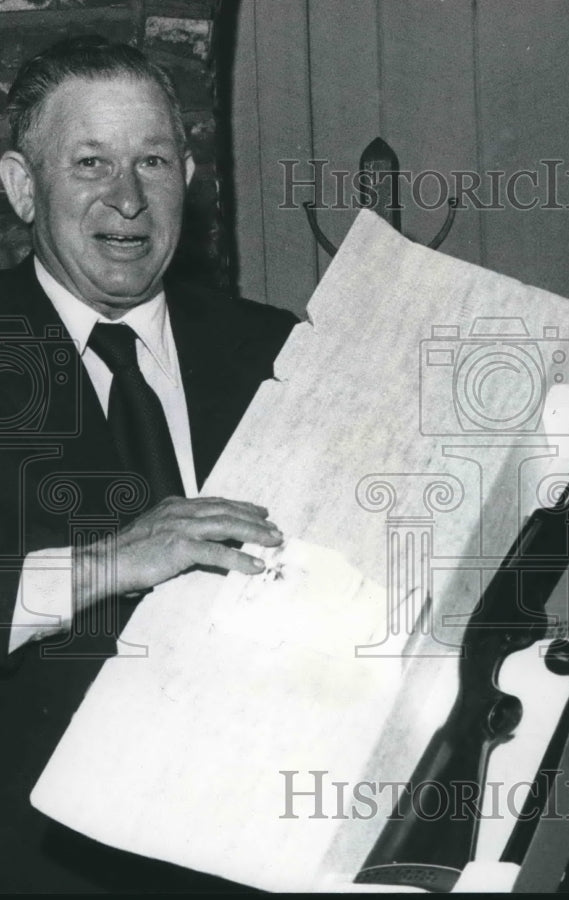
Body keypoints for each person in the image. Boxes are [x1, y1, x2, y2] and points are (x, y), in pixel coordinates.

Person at [0, 36, 298, 890]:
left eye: (153, 161)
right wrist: (110, 563)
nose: (127, 199)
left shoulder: (284, 351)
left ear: (191, 176)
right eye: (90, 162)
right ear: (24, 186)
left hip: (262, 853)